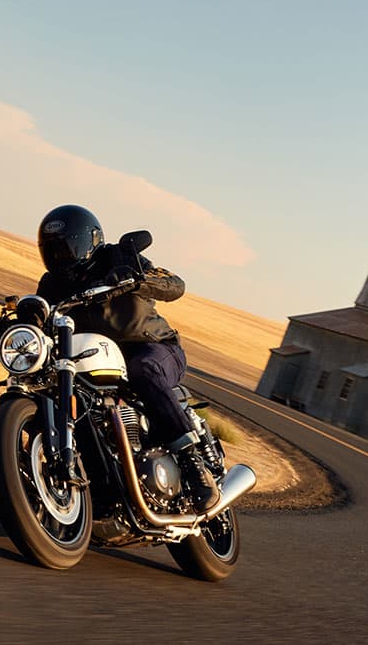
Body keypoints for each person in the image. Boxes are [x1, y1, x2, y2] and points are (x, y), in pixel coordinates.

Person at [32, 204, 220, 507]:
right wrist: (6, 326)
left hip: (154, 347)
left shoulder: (118, 256)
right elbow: (39, 315)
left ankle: (193, 465)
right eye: (53, 251)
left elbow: (175, 285)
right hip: (95, 357)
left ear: (89, 241)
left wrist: (139, 278)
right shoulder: (52, 284)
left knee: (143, 369)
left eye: (67, 248)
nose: (61, 257)